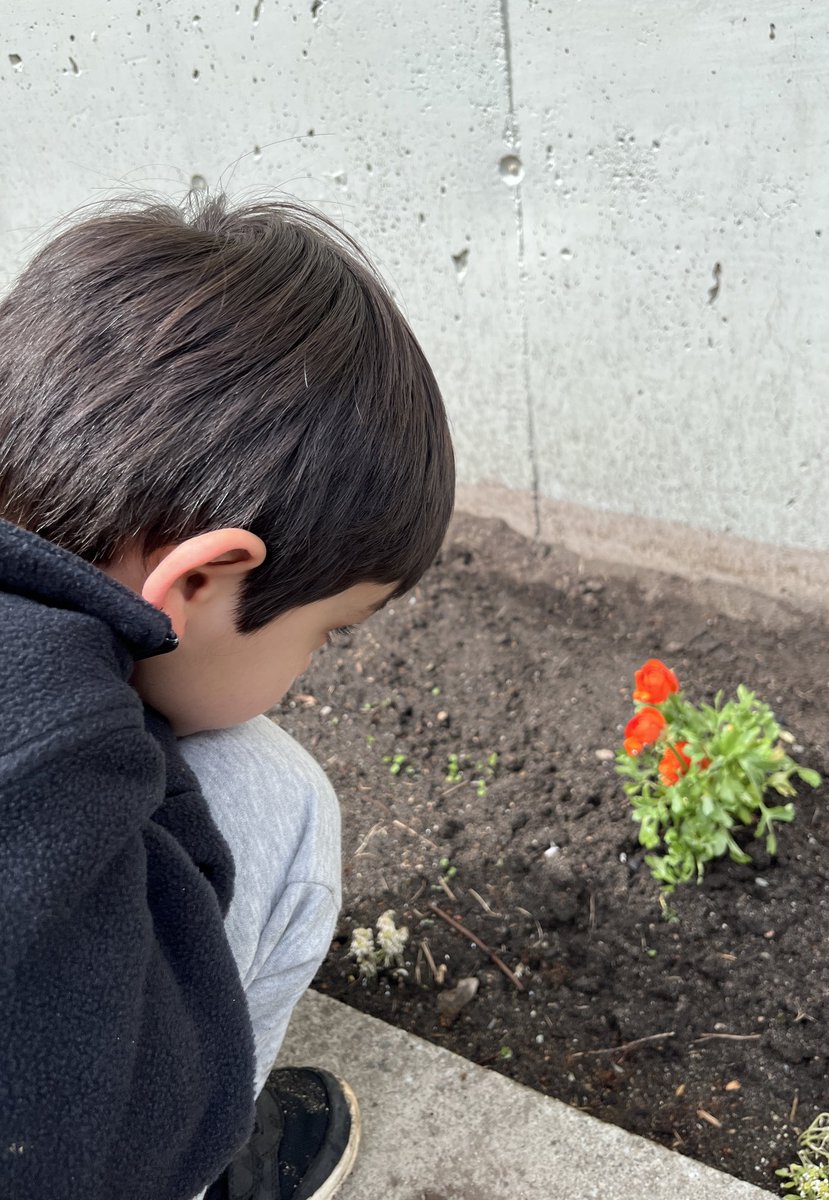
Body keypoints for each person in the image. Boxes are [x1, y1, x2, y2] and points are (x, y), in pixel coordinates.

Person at [0, 194, 455, 1200]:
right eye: (323, 635)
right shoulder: (53, 754)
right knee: (278, 794)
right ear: (197, 583)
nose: (312, 665)